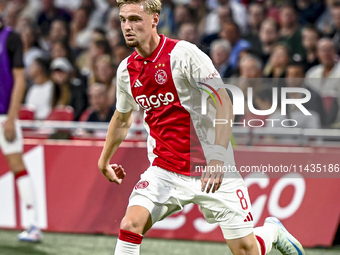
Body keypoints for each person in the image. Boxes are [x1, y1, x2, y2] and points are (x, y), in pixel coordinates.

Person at [97, 0, 306, 255]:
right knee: (130, 225)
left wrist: (217, 159)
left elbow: (223, 102)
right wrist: (104, 159)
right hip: (165, 170)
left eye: (134, 19)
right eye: (123, 20)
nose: (127, 27)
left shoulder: (185, 54)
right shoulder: (126, 71)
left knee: (246, 250)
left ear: (154, 19)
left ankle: (272, 231)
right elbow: (121, 118)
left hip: (212, 167)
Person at [0, 18, 42, 242]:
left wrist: (11, 117)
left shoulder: (11, 37)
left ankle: (33, 224)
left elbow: (19, 80)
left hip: (4, 116)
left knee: (17, 167)